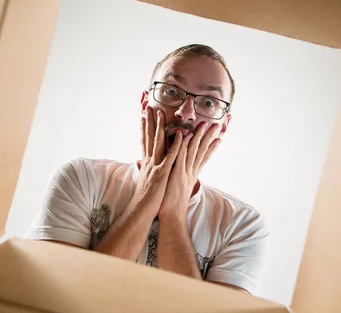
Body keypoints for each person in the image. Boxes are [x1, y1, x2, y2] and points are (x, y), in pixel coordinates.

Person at [27, 44, 267, 295]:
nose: (185, 113)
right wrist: (148, 194)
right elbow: (54, 296)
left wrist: (173, 212)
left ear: (223, 127)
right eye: (171, 91)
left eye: (208, 102)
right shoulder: (81, 179)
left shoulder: (242, 225)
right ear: (145, 103)